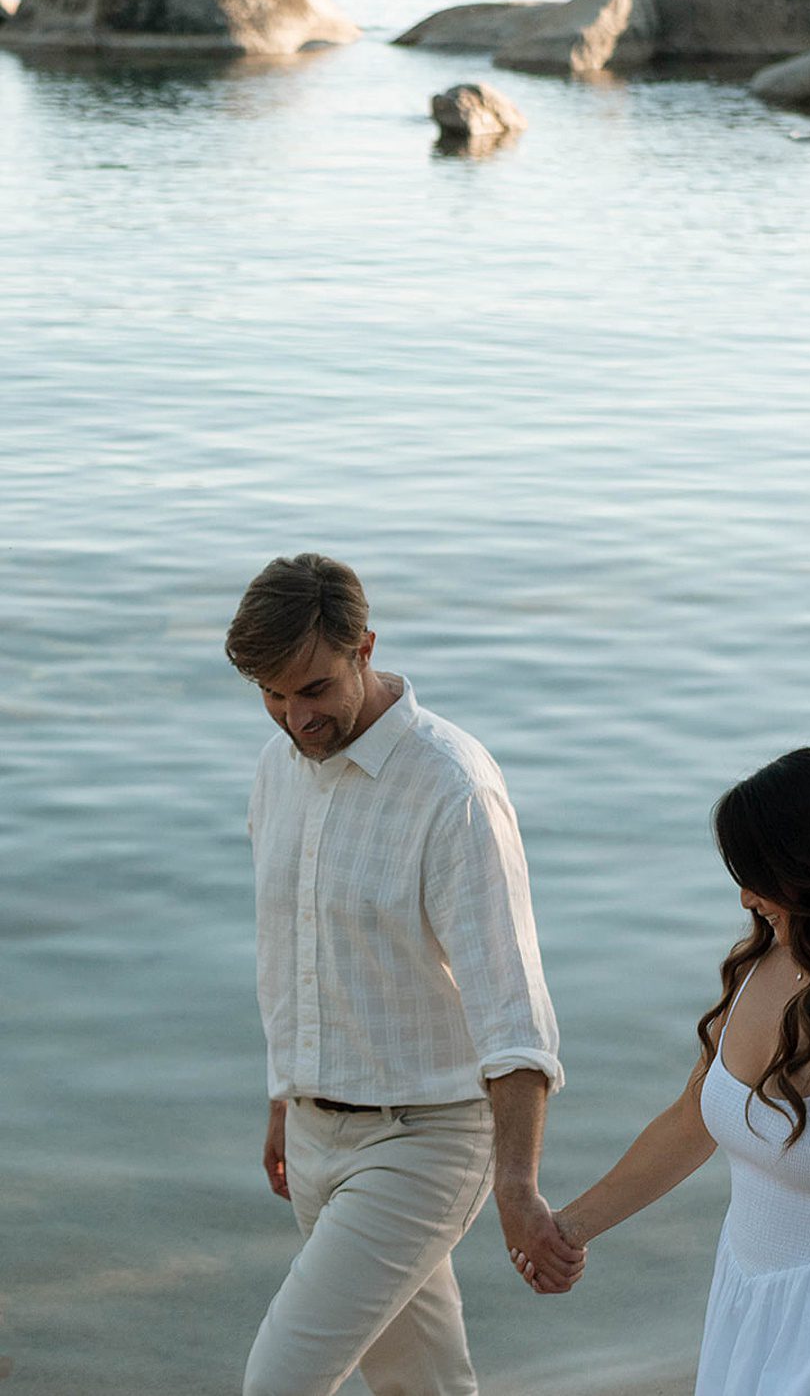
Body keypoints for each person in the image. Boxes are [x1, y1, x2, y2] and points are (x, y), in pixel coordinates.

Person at [517, 748, 810, 1396]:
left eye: (759, 875)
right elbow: (692, 1120)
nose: (744, 895)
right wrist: (569, 1226)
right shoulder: (759, 962)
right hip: (751, 1304)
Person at [226, 552, 584, 1396]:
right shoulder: (278, 769)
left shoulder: (452, 787)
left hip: (424, 1140)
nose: (292, 717)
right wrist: (288, 1093)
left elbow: (513, 1005)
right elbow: (291, 952)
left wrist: (518, 1183)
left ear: (365, 648)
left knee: (277, 1383)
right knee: (421, 1382)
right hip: (317, 1130)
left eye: (312, 688)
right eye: (272, 694)